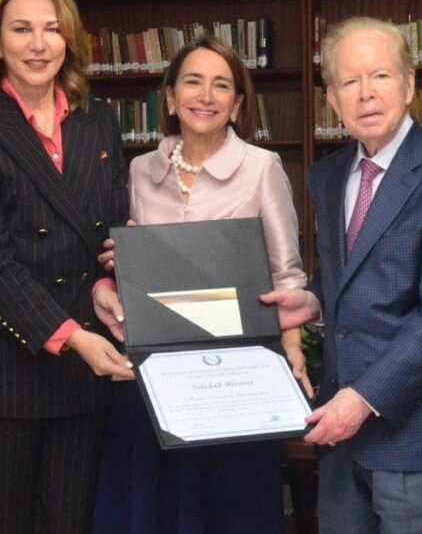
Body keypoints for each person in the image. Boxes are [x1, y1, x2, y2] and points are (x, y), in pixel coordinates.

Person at [263, 16, 422, 534]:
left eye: (381, 76)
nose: (366, 94)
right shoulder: (326, 177)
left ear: (409, 84)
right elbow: (355, 272)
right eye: (349, 81)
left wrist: (363, 399)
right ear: (331, 99)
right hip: (344, 438)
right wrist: (316, 300)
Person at [89, 34, 312, 534]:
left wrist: (293, 344)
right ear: (169, 97)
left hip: (232, 379)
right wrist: (119, 264)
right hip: (152, 377)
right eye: (192, 82)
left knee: (227, 514)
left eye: (220, 85)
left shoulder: (261, 168)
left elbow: (288, 274)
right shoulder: (139, 171)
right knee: (151, 512)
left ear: (237, 103)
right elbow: (121, 265)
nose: (205, 96)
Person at [0, 0, 133, 534]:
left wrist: (106, 279)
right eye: (21, 29)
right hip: (1, 369)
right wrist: (73, 337)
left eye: (51, 29)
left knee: (69, 524)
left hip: (80, 376)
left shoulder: (99, 122)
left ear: (68, 38)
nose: (38, 43)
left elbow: (109, 223)